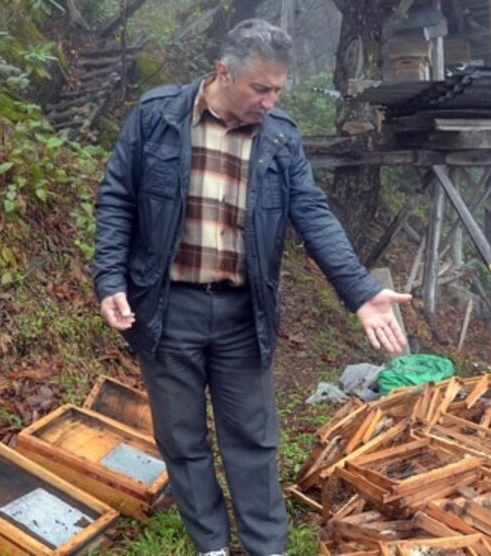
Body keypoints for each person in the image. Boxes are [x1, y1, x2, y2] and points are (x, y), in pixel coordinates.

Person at [91, 18, 411, 556]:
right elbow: (117, 199)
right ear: (223, 72)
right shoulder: (157, 117)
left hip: (244, 315)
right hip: (167, 310)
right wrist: (109, 278)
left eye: (277, 90)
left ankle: (268, 549)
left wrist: (359, 290)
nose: (269, 100)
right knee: (182, 440)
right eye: (260, 88)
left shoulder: (281, 136)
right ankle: (212, 546)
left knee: (254, 442)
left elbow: (311, 213)